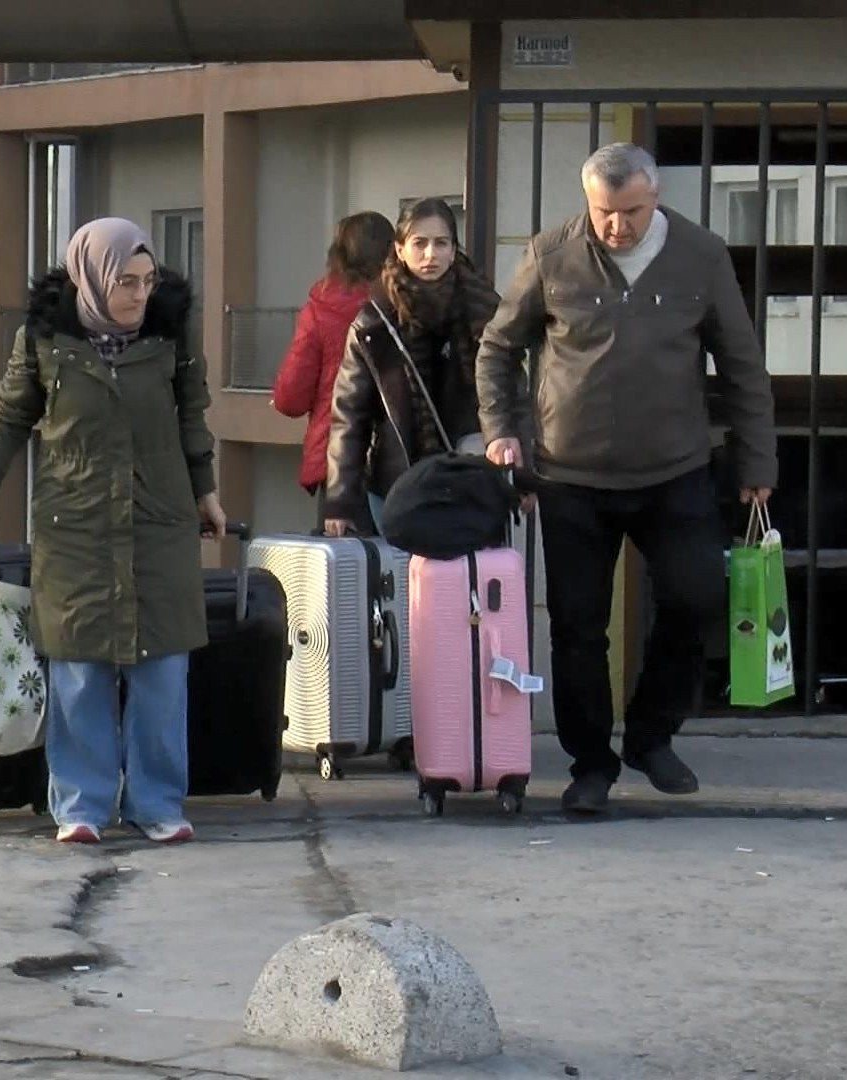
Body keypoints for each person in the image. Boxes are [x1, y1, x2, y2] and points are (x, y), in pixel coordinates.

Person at [475, 143, 778, 814]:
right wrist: (503, 433)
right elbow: (498, 347)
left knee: (697, 597)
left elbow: (742, 364)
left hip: (676, 470)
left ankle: (652, 735)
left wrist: (758, 462)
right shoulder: (552, 253)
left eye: (631, 212)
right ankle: (591, 766)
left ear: (656, 196)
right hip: (570, 475)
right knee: (578, 627)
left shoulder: (701, 256)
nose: (617, 227)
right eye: (604, 213)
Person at [0, 217, 226, 845]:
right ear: (88, 278)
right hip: (74, 521)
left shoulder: (171, 334)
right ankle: (81, 804)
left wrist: (206, 493)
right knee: (78, 670)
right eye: (125, 282)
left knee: (161, 672)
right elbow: (9, 413)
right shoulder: (44, 339)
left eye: (147, 281)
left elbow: (193, 419)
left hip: (158, 519)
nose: (138, 295)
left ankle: (157, 803)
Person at [321, 197, 502, 536]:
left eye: (441, 243)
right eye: (420, 243)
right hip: (397, 483)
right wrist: (341, 500)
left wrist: (520, 475)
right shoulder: (375, 323)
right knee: (405, 585)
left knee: (463, 585)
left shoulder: (484, 309)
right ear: (400, 249)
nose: (431, 254)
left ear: (453, 249)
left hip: (469, 481)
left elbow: (510, 393)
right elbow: (349, 415)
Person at [271, 212, 395, 507]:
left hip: (337, 457)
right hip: (398, 455)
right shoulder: (402, 304)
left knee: (344, 552)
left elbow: (291, 398)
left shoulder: (321, 309)